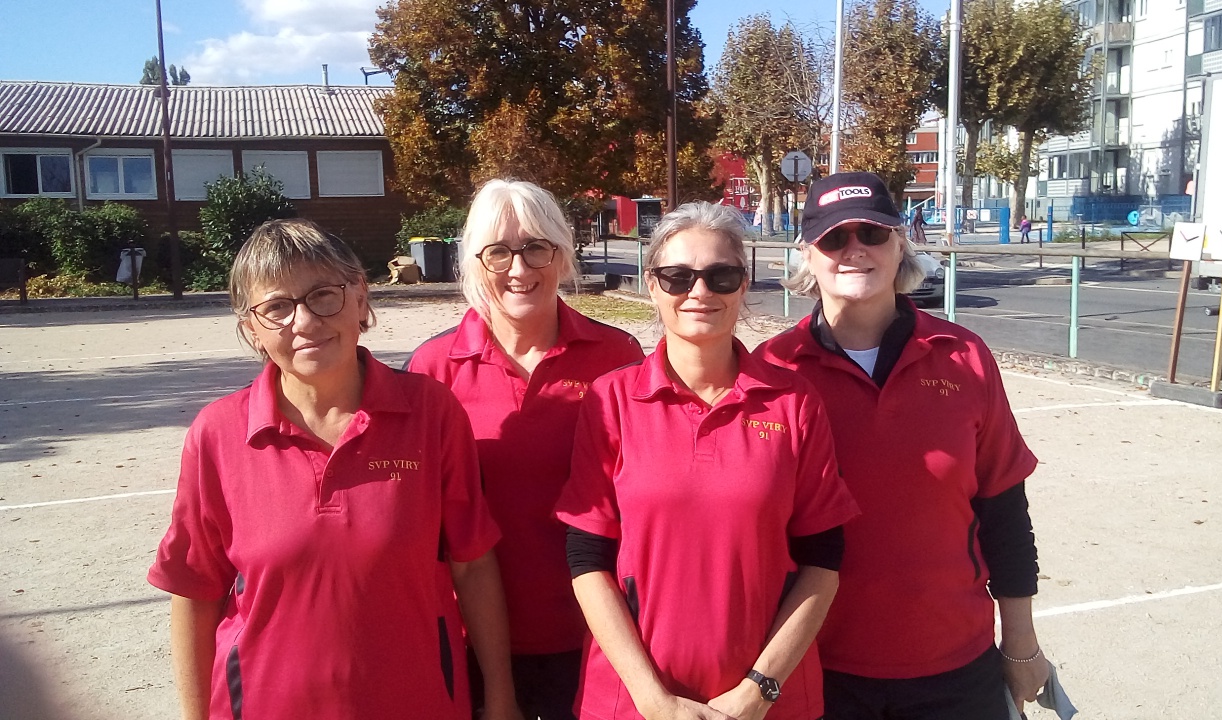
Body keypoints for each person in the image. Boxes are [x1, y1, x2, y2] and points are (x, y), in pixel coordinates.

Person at [148, 219, 519, 720]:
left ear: (361, 298)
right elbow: (194, 591)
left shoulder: (431, 412)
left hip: (419, 703)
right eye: (276, 307)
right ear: (251, 329)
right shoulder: (218, 433)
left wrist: (500, 701)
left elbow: (472, 565)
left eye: (323, 295)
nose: (303, 322)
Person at [756, 172, 1051, 720]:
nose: (855, 250)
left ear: (900, 244)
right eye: (834, 238)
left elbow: (1005, 513)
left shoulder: (963, 356)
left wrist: (1021, 643)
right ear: (808, 255)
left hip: (955, 668)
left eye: (872, 233)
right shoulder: (773, 371)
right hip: (816, 669)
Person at [556, 202, 858, 720]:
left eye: (720, 276)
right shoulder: (610, 402)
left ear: (743, 285)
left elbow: (823, 560)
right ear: (652, 285)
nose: (699, 292)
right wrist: (653, 700)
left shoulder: (793, 401)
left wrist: (758, 690)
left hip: (766, 702)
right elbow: (588, 561)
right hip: (635, 702)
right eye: (678, 277)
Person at [405, 179, 644, 720]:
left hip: (595, 634)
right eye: (498, 252)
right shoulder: (432, 369)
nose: (519, 268)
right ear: (473, 262)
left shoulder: (617, 355)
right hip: (472, 640)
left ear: (561, 254)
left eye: (537, 246)